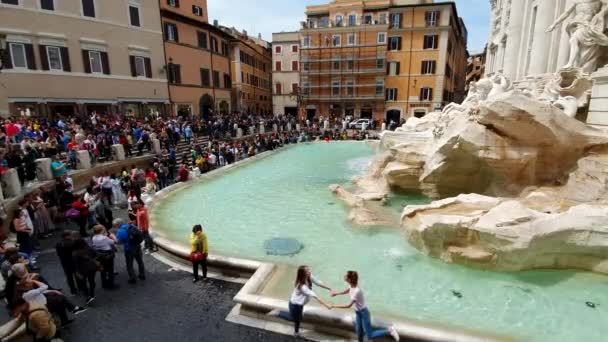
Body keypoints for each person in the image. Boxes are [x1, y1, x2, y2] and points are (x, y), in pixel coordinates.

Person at [330, 271, 400, 342]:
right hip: (358, 313)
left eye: (345, 276)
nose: (344, 277)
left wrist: (334, 306)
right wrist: (336, 293)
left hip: (364, 313)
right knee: (359, 333)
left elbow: (348, 305)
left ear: (349, 280)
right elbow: (348, 290)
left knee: (370, 335)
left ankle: (390, 330)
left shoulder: (357, 291)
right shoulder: (352, 285)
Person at [270, 266, 332, 337]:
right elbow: (315, 297)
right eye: (307, 271)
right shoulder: (302, 286)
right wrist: (326, 305)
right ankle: (278, 312)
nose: (309, 272)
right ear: (302, 274)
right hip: (295, 305)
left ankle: (296, 333)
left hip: (299, 304)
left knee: (298, 319)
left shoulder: (309, 276)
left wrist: (329, 288)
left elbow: (318, 283)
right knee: (292, 318)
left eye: (308, 270)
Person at [114, 219, 145, 284]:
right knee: (140, 261)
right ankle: (142, 275)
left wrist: (114, 238)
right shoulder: (132, 226)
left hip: (129, 249)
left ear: (117, 225)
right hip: (137, 246)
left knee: (129, 264)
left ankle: (132, 278)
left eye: (115, 225)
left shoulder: (120, 231)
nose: (115, 227)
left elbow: (119, 242)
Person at [72, 238, 98, 305]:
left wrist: (77, 271)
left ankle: (87, 295)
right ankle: (91, 294)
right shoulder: (89, 249)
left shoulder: (75, 253)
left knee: (83, 282)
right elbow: (95, 254)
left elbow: (75, 264)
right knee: (92, 281)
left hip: (82, 270)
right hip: (92, 267)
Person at [90, 225, 116, 289]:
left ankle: (104, 284)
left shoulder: (94, 237)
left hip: (99, 254)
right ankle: (111, 284)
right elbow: (113, 242)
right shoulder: (104, 238)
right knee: (110, 269)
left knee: (103, 269)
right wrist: (113, 236)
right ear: (101, 230)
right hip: (107, 253)